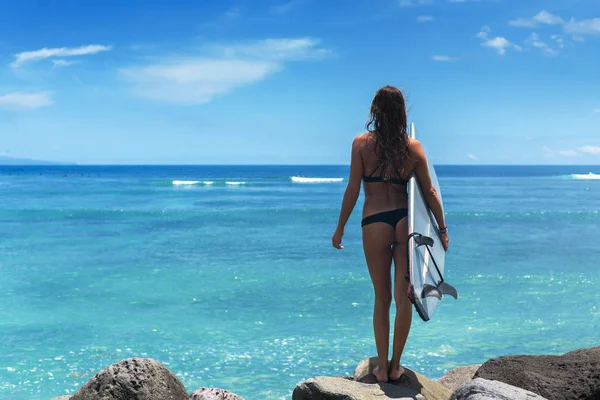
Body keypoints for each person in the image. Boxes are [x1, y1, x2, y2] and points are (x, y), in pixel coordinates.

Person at [332, 85, 449, 383]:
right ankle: (396, 365)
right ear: (402, 112)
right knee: (403, 297)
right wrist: (442, 229)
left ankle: (381, 369)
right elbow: (430, 192)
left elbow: (352, 190)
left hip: (374, 222)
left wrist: (340, 227)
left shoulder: (360, 144)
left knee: (381, 297)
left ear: (375, 110)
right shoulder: (413, 147)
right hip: (404, 223)